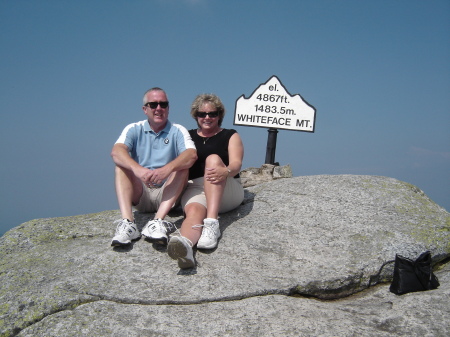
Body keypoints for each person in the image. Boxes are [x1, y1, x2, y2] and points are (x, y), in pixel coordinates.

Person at [110, 87, 197, 247]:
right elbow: (116, 152)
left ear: (168, 108)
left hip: (168, 195)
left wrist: (167, 169)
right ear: (145, 109)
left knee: (182, 167)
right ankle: (128, 223)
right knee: (121, 166)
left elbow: (191, 155)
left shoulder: (178, 130)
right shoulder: (133, 129)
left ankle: (157, 221)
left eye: (163, 104)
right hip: (141, 193)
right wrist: (138, 169)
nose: (159, 108)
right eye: (153, 104)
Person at [167, 93, 244, 268]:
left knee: (213, 160)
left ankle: (212, 224)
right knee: (193, 211)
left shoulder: (230, 135)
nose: (207, 117)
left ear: (219, 115)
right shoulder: (187, 136)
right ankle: (186, 246)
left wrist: (225, 171)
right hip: (197, 187)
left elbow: (236, 164)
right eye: (202, 114)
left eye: (212, 114)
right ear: (196, 116)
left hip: (226, 186)